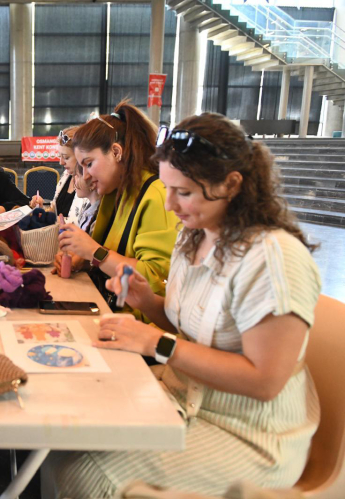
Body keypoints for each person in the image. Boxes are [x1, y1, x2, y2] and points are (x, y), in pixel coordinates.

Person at [46, 113, 321, 498]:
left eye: (184, 192)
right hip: (183, 397)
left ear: (231, 184)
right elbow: (191, 326)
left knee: (88, 473)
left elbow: (264, 381)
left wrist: (155, 342)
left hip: (249, 434)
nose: (171, 204)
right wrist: (148, 302)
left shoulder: (273, 258)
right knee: (61, 435)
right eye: (168, 188)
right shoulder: (195, 238)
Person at [56, 101, 180, 319]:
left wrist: (94, 252)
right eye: (81, 168)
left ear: (116, 151)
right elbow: (115, 259)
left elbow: (155, 280)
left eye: (89, 164)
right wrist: (84, 260)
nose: (86, 176)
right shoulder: (116, 193)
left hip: (138, 324)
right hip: (110, 310)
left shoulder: (155, 195)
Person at [29, 126, 89, 223]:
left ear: (81, 156)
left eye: (66, 157)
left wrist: (51, 219)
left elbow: (82, 224)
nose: (61, 162)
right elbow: (55, 211)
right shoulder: (66, 176)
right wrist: (41, 207)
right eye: (59, 156)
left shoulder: (89, 185)